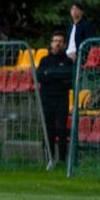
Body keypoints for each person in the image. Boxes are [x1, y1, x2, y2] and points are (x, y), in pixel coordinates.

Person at [36, 30, 73, 167]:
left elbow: (68, 78)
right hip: (46, 98)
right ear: (51, 43)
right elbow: (40, 76)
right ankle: (49, 158)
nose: (57, 44)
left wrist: (50, 74)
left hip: (62, 98)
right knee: (48, 128)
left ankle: (62, 160)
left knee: (61, 128)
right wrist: (56, 74)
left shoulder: (68, 61)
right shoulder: (44, 60)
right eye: (55, 41)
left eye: (60, 41)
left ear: (64, 44)